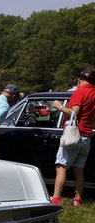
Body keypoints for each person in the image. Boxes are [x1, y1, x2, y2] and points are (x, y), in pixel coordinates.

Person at [50, 67, 95, 206]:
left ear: (80, 79)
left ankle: (56, 198)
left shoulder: (80, 91)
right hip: (87, 136)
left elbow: (73, 113)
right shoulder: (94, 92)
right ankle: (77, 199)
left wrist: (59, 106)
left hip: (73, 135)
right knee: (79, 169)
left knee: (61, 166)